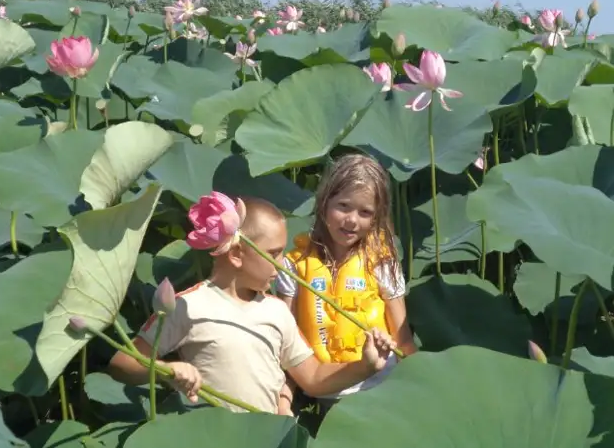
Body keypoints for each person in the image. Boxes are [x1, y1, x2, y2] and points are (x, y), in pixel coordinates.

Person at [107, 195, 398, 416]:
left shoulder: (276, 310)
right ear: (236, 255)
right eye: (273, 253)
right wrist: (167, 369)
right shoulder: (187, 305)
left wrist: (365, 366)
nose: (282, 263)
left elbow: (312, 379)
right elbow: (122, 364)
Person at [275, 153, 418, 434]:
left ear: (377, 217)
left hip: (382, 391)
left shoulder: (382, 263)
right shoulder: (294, 265)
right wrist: (283, 398)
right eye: (343, 206)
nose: (352, 220)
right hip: (326, 394)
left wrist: (420, 394)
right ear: (324, 202)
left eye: (365, 212)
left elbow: (404, 340)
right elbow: (286, 341)